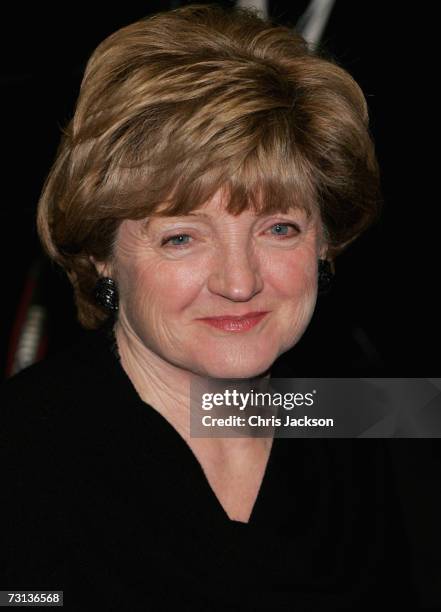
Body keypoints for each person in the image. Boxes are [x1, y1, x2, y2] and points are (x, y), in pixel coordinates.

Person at [1, 3, 437, 609]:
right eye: (181, 237)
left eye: (279, 229)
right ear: (103, 252)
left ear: (324, 243)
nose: (239, 282)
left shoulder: (376, 420)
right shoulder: (19, 459)